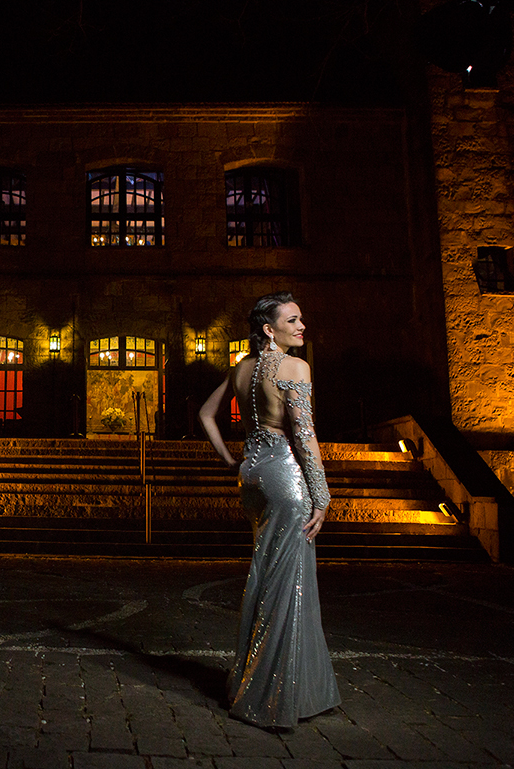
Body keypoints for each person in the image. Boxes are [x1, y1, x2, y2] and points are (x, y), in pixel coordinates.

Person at [198, 291, 340, 728]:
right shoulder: (295, 367)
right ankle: (272, 694)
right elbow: (304, 435)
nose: (301, 326)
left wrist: (230, 461)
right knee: (288, 582)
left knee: (266, 574)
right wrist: (322, 495)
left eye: (300, 319)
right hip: (285, 478)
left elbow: (205, 414)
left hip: (252, 475)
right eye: (292, 320)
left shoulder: (241, 368)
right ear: (269, 329)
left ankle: (261, 679)